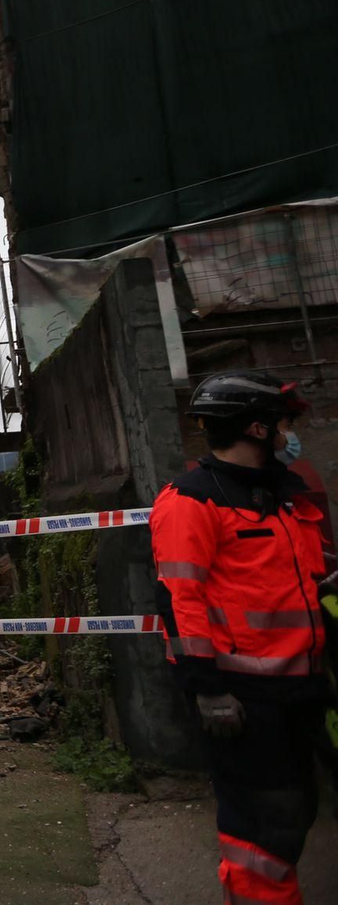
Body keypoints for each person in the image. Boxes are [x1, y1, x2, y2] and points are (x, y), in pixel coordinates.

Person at [151, 371, 329, 904]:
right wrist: (208, 690)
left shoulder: (283, 494)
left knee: (295, 811)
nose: (287, 432)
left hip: (303, 685)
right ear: (255, 427)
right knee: (263, 827)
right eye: (281, 422)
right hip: (242, 697)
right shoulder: (190, 501)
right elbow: (180, 603)